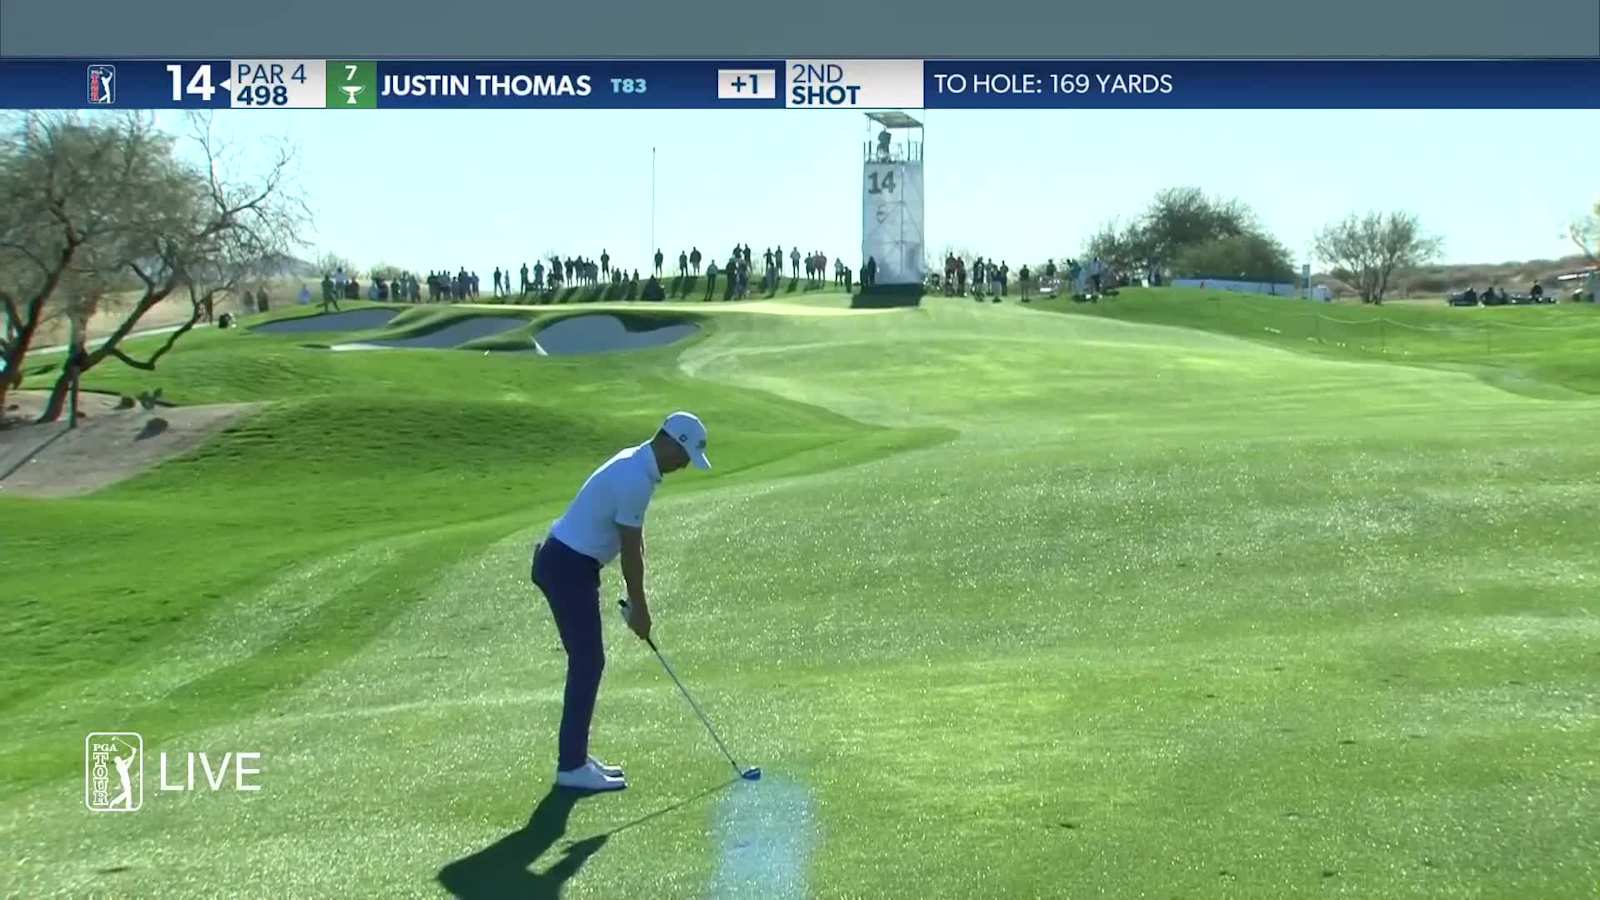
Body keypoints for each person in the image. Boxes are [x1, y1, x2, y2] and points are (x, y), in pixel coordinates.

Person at [530, 412, 712, 792]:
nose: (683, 466)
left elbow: (635, 537)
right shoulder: (634, 478)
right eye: (684, 456)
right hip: (567, 567)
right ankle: (571, 766)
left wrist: (637, 602)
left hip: (569, 563)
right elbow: (630, 553)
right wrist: (641, 609)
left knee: (588, 660)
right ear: (672, 441)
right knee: (588, 661)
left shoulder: (638, 466)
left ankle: (576, 757)